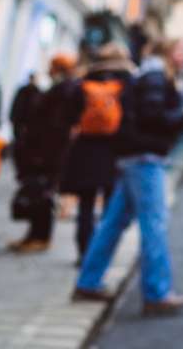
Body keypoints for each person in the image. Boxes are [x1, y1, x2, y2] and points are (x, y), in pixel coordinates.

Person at [73, 38, 183, 315]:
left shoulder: (145, 74)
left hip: (132, 156)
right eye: (180, 52)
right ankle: (156, 293)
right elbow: (154, 117)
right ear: (166, 53)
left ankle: (88, 282)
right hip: (146, 158)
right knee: (154, 224)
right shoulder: (156, 77)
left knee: (113, 223)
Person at [60, 45, 135, 263]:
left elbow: (69, 114)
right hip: (114, 151)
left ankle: (83, 254)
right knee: (111, 209)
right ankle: (101, 256)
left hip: (85, 148)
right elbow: (131, 118)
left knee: (85, 205)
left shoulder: (86, 79)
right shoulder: (128, 81)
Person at [8, 55, 78, 252]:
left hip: (48, 154)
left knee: (42, 195)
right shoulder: (63, 89)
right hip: (48, 152)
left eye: (51, 66)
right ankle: (34, 236)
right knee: (39, 194)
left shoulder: (63, 91)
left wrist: (40, 153)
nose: (48, 69)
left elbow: (53, 126)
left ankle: (39, 237)